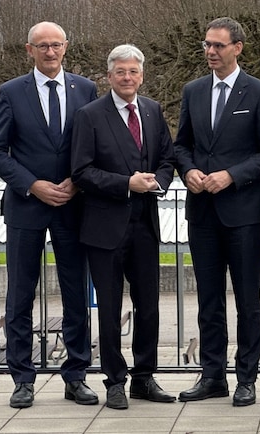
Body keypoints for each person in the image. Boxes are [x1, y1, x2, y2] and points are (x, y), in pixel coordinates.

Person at [0, 21, 99, 409]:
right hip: (26, 207)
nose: (50, 52)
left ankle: (76, 375)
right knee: (19, 296)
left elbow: (95, 146)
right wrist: (32, 184)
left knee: (75, 295)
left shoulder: (85, 89)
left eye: (56, 45)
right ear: (29, 50)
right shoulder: (11, 92)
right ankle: (22, 379)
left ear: (66, 47)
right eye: (42, 46)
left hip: (72, 205)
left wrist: (77, 183)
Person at [175, 17, 260, 407]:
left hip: (244, 212)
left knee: (248, 300)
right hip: (202, 211)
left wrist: (231, 176)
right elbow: (181, 144)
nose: (211, 52)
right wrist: (189, 171)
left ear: (238, 47)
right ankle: (212, 375)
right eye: (206, 45)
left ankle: (246, 378)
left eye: (218, 45)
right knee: (208, 299)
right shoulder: (193, 91)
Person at [70, 44, 176, 410]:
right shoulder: (89, 115)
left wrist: (158, 182)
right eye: (121, 72)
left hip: (145, 223)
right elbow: (81, 171)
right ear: (109, 76)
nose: (127, 78)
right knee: (110, 309)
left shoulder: (152, 110)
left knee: (148, 307)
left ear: (141, 75)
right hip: (104, 228)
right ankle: (115, 380)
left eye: (133, 72)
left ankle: (144, 378)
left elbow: (167, 157)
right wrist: (125, 183)